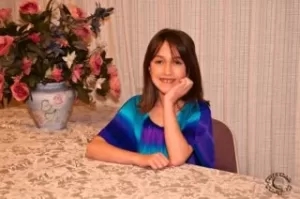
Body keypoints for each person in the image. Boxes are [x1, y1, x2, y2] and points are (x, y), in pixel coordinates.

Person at [86, 28, 215, 170]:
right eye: (159, 61)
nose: (167, 71)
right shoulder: (136, 107)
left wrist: (168, 102)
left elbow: (177, 158)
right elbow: (93, 148)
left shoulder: (197, 112)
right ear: (149, 68)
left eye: (177, 62)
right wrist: (140, 159)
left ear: (188, 70)